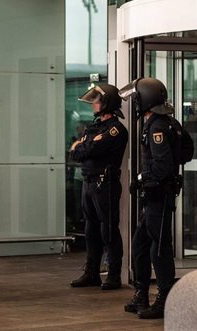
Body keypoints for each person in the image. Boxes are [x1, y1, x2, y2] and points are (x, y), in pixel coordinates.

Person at [119, 77, 178, 320]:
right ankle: (141, 295)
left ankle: (165, 300)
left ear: (145, 99)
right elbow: (186, 150)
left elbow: (163, 166)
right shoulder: (161, 122)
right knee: (141, 245)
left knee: (160, 248)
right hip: (152, 195)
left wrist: (142, 176)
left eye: (136, 98)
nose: (134, 103)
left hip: (158, 195)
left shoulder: (157, 127)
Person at [69, 84, 128, 290]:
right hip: (88, 182)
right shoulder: (93, 127)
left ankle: (113, 275)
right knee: (91, 229)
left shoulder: (116, 129)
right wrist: (83, 147)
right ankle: (91, 273)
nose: (93, 104)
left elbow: (88, 148)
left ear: (107, 103)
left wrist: (83, 146)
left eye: (97, 100)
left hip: (105, 184)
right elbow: (76, 152)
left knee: (108, 230)